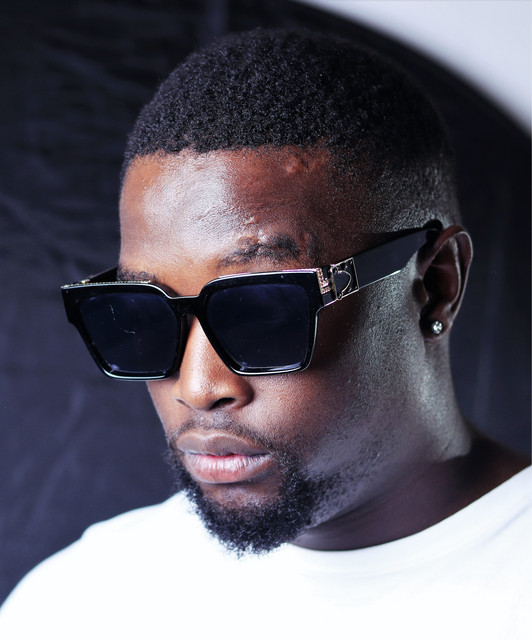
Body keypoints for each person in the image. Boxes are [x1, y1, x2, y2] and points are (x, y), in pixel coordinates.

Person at [0, 28, 529, 639]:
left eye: (261, 310)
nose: (198, 388)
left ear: (433, 285)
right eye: (143, 313)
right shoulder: (77, 602)